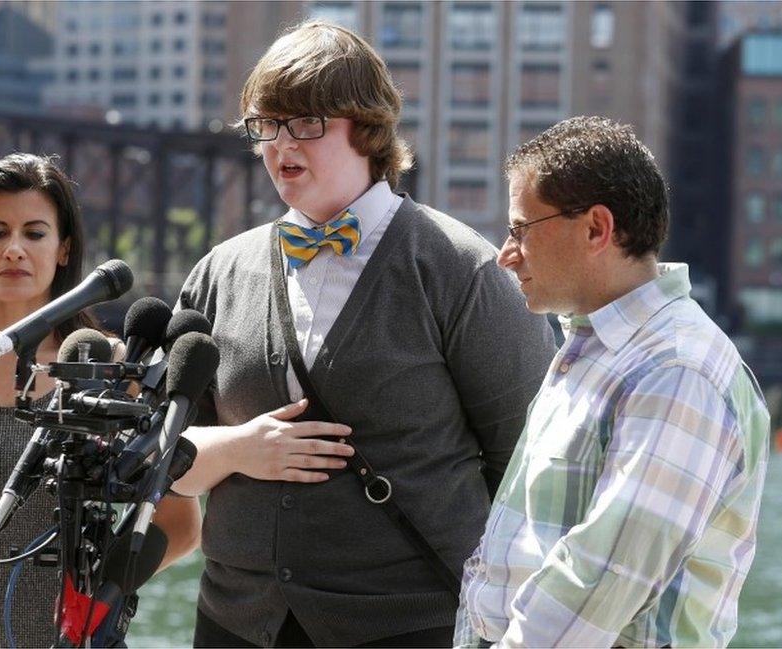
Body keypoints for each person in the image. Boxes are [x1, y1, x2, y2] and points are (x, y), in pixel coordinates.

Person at [172, 21, 556, 648]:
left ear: (367, 127)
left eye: (305, 123)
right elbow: (165, 458)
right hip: (238, 622)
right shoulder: (218, 272)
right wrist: (239, 448)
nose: (279, 144)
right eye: (266, 125)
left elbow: (531, 466)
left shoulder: (459, 267)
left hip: (410, 624)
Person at [454, 116, 770, 648]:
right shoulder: (600, 348)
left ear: (597, 229)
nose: (506, 254)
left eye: (520, 230)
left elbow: (603, 579)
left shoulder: (677, 369)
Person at [0, 153, 201, 647]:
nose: (15, 250)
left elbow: (180, 524)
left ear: (64, 249)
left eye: (35, 233)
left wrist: (99, 591)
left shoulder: (115, 367)